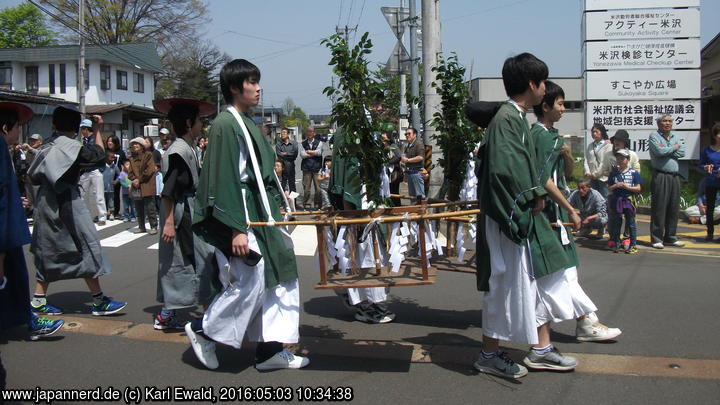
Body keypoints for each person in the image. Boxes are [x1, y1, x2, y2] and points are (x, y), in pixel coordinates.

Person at [189, 58, 309, 371]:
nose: (258, 89)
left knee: (277, 279)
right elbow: (225, 178)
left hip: (260, 211)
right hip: (244, 214)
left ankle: (269, 352)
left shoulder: (244, 122)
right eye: (251, 83)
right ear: (234, 88)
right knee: (250, 281)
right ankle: (205, 331)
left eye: (258, 82)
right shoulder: (226, 125)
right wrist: (235, 228)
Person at [471, 53, 578, 380]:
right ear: (532, 85)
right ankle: (489, 354)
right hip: (508, 218)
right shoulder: (507, 119)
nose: (545, 88)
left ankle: (541, 348)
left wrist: (534, 199)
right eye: (543, 82)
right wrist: (531, 200)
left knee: (533, 281)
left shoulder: (514, 117)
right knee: (502, 286)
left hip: (518, 215)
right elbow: (506, 173)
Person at [531, 81, 621, 342]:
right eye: (560, 103)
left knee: (568, 268)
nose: (564, 108)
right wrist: (570, 208)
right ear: (545, 106)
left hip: (558, 209)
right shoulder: (540, 137)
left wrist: (567, 154)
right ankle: (584, 321)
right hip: (548, 211)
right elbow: (542, 180)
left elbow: (565, 174)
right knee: (559, 272)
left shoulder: (554, 137)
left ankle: (584, 321)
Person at [27, 105, 127, 317]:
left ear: (53, 124)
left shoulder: (46, 145)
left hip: (44, 202)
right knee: (86, 246)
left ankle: (38, 301)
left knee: (48, 251)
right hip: (67, 203)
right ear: (76, 127)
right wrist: (98, 129)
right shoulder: (73, 148)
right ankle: (99, 301)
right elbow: (100, 156)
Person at [0, 102, 65, 350]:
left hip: (7, 227)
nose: (19, 133)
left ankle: (23, 319)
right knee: (12, 279)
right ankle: (28, 320)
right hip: (5, 231)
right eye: (17, 127)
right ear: (6, 127)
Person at [152, 97, 218, 330]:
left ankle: (171, 311)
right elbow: (169, 190)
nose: (202, 124)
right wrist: (169, 222)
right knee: (194, 261)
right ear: (189, 123)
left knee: (186, 262)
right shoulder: (179, 149)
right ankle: (181, 313)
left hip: (186, 209)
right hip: (182, 213)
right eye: (199, 120)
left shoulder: (186, 147)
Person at [593, 129, 641, 250]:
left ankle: (627, 238)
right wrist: (594, 175)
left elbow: (637, 170)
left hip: (629, 193)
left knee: (630, 218)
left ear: (625, 143)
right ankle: (614, 239)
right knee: (613, 216)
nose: (616, 143)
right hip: (613, 191)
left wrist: (631, 183)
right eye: (615, 141)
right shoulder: (609, 155)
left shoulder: (632, 155)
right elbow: (602, 168)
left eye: (619, 141)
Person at [649, 114, 685, 249]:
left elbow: (682, 153)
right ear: (659, 123)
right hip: (661, 175)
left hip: (675, 176)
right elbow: (659, 151)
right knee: (659, 207)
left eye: (670, 121)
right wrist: (674, 147)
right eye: (664, 121)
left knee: (673, 207)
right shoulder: (654, 136)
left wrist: (668, 149)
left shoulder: (676, 136)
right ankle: (656, 238)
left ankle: (670, 237)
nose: (667, 123)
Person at [607, 149, 643, 254]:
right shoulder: (613, 173)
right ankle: (617, 243)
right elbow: (609, 188)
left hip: (629, 200)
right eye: (618, 158)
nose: (620, 160)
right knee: (617, 222)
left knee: (631, 222)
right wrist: (616, 186)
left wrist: (627, 187)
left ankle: (633, 245)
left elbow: (638, 188)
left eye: (622, 158)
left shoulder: (633, 173)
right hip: (617, 199)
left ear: (627, 160)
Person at [77, 118, 107, 225]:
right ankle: (85, 216)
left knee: (98, 195)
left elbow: (101, 153)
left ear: (86, 129)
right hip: (85, 170)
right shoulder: (83, 141)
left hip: (95, 170)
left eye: (82, 129)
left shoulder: (95, 139)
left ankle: (102, 217)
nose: (81, 131)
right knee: (82, 194)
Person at [128, 137, 158, 234]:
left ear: (142, 146)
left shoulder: (148, 155)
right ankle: (141, 226)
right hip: (136, 186)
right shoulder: (131, 158)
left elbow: (150, 170)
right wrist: (133, 179)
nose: (134, 146)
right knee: (138, 207)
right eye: (133, 144)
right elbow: (130, 172)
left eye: (137, 144)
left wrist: (139, 180)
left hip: (147, 184)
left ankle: (153, 226)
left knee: (150, 207)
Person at [699, 123, 720, 241]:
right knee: (710, 208)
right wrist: (706, 167)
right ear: (715, 135)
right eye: (718, 134)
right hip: (711, 181)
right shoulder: (706, 150)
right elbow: (701, 164)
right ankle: (710, 232)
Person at [583, 123, 612, 199]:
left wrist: (595, 174)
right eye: (592, 132)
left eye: (596, 131)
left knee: (604, 198)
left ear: (602, 132)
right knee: (593, 198)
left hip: (603, 178)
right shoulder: (590, 145)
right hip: (591, 178)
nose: (594, 134)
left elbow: (604, 163)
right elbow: (586, 159)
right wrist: (587, 172)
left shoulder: (608, 145)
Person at [300, 126, 323, 209]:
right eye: (308, 131)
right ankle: (307, 204)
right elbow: (302, 155)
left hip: (317, 168)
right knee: (306, 188)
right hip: (306, 168)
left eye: (311, 131)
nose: (309, 133)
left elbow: (319, 152)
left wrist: (309, 152)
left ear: (314, 133)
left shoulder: (319, 142)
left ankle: (318, 204)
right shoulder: (303, 143)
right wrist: (314, 153)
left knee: (318, 189)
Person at [402, 127, 425, 201]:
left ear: (414, 135)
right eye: (406, 134)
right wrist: (405, 175)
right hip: (410, 172)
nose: (407, 135)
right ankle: (414, 211)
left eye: (409, 134)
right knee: (412, 196)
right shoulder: (408, 146)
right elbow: (405, 161)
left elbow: (420, 157)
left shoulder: (419, 144)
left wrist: (408, 160)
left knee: (420, 196)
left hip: (417, 172)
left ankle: (422, 212)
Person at [105, 135, 125, 220]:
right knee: (105, 194)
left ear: (116, 143)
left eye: (111, 141)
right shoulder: (105, 151)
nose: (109, 143)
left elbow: (124, 165)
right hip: (106, 176)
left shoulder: (121, 152)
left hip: (117, 175)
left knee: (116, 194)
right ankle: (105, 212)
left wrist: (121, 177)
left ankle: (116, 212)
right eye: (108, 141)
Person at [382, 131, 402, 206]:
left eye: (384, 138)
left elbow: (399, 156)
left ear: (389, 138)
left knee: (394, 191)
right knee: (387, 190)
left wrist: (388, 162)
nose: (382, 140)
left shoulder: (393, 146)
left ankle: (397, 208)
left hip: (394, 173)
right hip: (385, 173)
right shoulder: (382, 147)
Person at [276, 127, 298, 194]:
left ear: (288, 134)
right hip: (282, 166)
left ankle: (294, 203)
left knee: (292, 184)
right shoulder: (279, 144)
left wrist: (286, 153)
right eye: (281, 133)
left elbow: (295, 154)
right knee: (283, 184)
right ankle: (283, 201)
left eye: (284, 133)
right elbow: (279, 154)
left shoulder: (294, 143)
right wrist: (289, 154)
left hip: (291, 166)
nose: (282, 134)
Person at [102, 150, 120, 220]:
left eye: (114, 157)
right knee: (104, 201)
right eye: (111, 157)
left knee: (111, 201)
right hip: (103, 187)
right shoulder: (102, 166)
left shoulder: (114, 166)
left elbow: (120, 175)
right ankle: (105, 213)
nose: (113, 159)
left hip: (111, 188)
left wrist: (116, 181)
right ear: (106, 157)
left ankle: (112, 213)